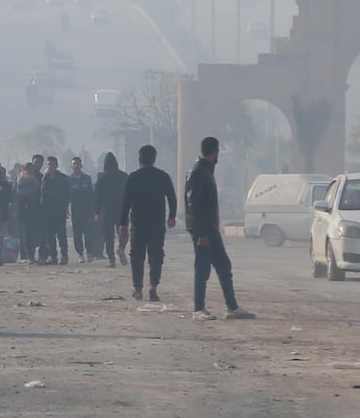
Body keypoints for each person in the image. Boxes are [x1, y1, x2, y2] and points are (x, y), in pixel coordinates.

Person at [185, 136, 253, 320]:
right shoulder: (198, 173)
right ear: (215, 152)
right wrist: (201, 233)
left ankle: (232, 307)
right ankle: (198, 308)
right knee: (202, 269)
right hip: (203, 231)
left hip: (212, 229)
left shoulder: (206, 171)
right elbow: (194, 205)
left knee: (224, 266)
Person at [120, 143, 177, 302]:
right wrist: (171, 216)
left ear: (140, 159)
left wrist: (122, 223)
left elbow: (126, 202)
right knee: (156, 255)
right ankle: (153, 287)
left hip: (138, 223)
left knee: (137, 256)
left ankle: (138, 289)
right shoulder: (163, 176)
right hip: (157, 223)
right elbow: (172, 197)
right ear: (154, 159)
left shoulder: (133, 177)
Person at [92, 152, 128, 267]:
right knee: (123, 231)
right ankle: (121, 247)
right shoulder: (123, 176)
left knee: (108, 236)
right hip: (122, 209)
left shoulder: (101, 177)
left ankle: (111, 260)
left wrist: (97, 212)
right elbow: (129, 193)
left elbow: (97, 196)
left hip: (107, 210)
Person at [67, 156, 96, 261]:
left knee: (88, 233)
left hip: (87, 210)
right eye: (74, 164)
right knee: (77, 234)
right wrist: (66, 208)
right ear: (71, 166)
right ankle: (80, 254)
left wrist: (93, 210)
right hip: (75, 210)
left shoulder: (87, 178)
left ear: (81, 165)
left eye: (78, 163)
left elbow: (91, 195)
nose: (76, 165)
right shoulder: (69, 179)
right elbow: (67, 196)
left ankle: (90, 252)